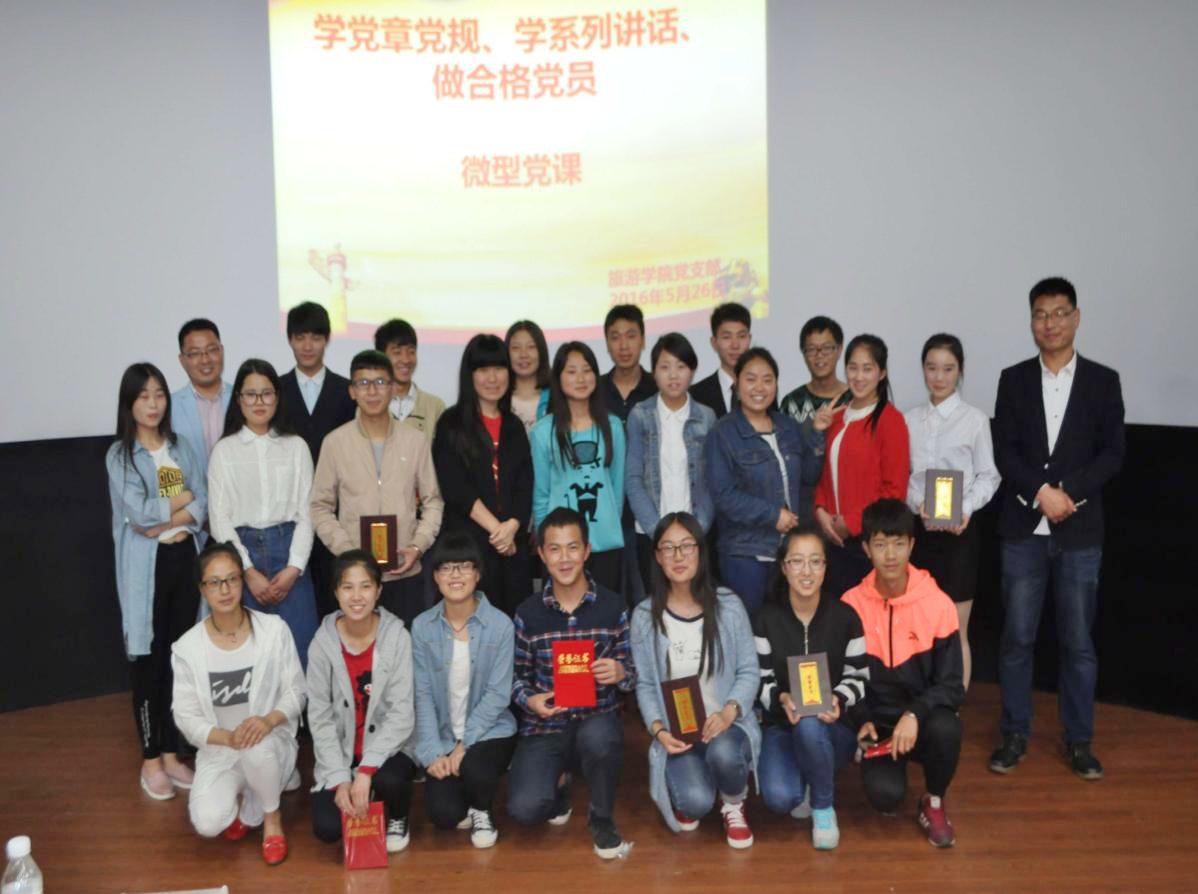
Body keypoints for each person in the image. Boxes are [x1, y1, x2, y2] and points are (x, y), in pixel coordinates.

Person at [989, 277, 1125, 780]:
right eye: (1041, 314)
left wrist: (1067, 492)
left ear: (1076, 317)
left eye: (1060, 313)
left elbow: (1113, 452)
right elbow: (1005, 451)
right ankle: (1014, 733)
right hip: (1023, 530)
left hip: (1080, 533)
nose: (1050, 323)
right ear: (1031, 321)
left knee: (1078, 643)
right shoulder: (1013, 379)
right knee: (1016, 640)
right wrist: (1039, 493)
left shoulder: (1103, 381)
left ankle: (1079, 740)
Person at [507, 508, 636, 860]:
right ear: (541, 554)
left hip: (597, 719)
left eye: (573, 547)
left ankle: (602, 816)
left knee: (600, 738)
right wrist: (530, 701)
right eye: (554, 549)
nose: (564, 558)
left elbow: (633, 674)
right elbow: (515, 677)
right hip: (545, 726)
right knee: (525, 809)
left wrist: (621, 673)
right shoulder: (527, 613)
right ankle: (560, 782)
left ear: (587, 550)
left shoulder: (613, 606)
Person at [105, 362, 207, 800]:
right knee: (148, 659)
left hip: (185, 559)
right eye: (144, 396)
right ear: (129, 403)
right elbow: (140, 515)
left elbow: (200, 501)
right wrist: (177, 505)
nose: (153, 404)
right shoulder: (121, 455)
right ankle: (150, 758)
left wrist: (172, 512)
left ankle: (170, 752)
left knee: (178, 658)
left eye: (160, 394)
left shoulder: (179, 447)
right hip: (147, 568)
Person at [171, 542, 306, 866]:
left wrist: (268, 721)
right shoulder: (187, 648)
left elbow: (296, 691)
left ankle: (271, 817)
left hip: (268, 741)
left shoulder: (273, 631)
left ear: (242, 582)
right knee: (207, 822)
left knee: (256, 745)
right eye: (214, 582)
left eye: (232, 579)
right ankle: (254, 796)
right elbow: (186, 717)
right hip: (222, 749)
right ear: (202, 589)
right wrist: (227, 738)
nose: (225, 590)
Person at [630, 513, 760, 848]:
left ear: (701, 551)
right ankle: (700, 779)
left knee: (724, 754)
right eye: (668, 548)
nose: (678, 556)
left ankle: (733, 801)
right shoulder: (644, 616)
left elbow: (749, 670)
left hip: (726, 727)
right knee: (694, 804)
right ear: (657, 556)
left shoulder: (728, 605)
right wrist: (659, 731)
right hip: (679, 733)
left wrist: (729, 712)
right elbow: (645, 685)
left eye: (687, 546)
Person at [842, 499, 964, 848]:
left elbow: (952, 686)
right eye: (880, 544)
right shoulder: (850, 605)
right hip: (879, 726)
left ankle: (934, 800)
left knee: (948, 727)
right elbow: (842, 677)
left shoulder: (938, 604)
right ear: (866, 549)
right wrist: (861, 719)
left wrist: (914, 714)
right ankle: (879, 763)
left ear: (912, 545)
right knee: (885, 799)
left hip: (921, 721)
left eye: (898, 543)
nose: (891, 555)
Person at [310, 350, 444, 628]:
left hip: (406, 572)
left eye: (381, 382)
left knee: (405, 647)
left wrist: (417, 546)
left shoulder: (415, 440)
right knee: (359, 649)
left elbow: (433, 501)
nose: (372, 391)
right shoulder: (335, 442)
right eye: (363, 383)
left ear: (393, 388)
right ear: (352, 391)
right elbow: (320, 506)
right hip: (355, 579)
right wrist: (347, 551)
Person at [754, 525, 868, 850]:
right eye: (797, 561)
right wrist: (780, 698)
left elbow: (859, 676)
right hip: (781, 725)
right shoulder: (766, 619)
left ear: (825, 567)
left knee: (810, 723)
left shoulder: (846, 617)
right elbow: (760, 679)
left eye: (815, 561)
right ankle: (807, 775)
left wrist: (838, 699)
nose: (806, 571)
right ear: (784, 566)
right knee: (780, 799)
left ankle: (823, 806)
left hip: (833, 728)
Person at [904, 334, 1000, 691]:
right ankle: (920, 705)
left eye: (948, 369)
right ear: (923, 370)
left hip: (960, 533)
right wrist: (918, 503)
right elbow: (905, 477)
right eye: (932, 368)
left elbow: (989, 476)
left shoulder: (974, 420)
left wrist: (965, 507)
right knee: (919, 624)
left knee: (956, 628)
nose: (939, 377)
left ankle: (952, 709)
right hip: (921, 532)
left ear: (960, 371)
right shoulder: (909, 420)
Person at [705, 347, 832, 617]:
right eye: (750, 379)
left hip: (788, 552)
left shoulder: (787, 426)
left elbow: (809, 476)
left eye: (767, 379)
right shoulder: (723, 432)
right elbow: (723, 495)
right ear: (737, 383)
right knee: (750, 628)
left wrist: (818, 435)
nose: (759, 387)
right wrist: (772, 515)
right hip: (745, 553)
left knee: (785, 628)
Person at [208, 359, 318, 668]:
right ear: (239, 399)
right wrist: (247, 570)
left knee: (300, 652)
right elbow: (219, 519)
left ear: (277, 398)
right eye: (251, 394)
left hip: (290, 552)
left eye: (266, 393)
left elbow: (308, 512)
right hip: (243, 556)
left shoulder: (296, 446)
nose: (259, 402)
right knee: (251, 658)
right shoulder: (224, 451)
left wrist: (294, 567)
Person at [411, 533, 518, 848]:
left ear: (478, 574)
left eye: (464, 567)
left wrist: (464, 745)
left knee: (475, 769)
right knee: (443, 815)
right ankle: (466, 793)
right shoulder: (422, 627)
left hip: (489, 731)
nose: (455, 575)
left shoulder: (500, 625)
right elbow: (422, 695)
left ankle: (483, 809)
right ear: (435, 576)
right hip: (444, 734)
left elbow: (498, 695)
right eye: (446, 568)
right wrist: (433, 752)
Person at [307, 550, 418, 853]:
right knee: (328, 829)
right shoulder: (321, 644)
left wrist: (366, 770)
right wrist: (340, 778)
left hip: (389, 748)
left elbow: (402, 714)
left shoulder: (397, 637)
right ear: (335, 592)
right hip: (342, 752)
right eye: (347, 587)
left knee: (391, 780)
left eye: (365, 586)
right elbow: (319, 718)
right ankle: (362, 791)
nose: (357, 596)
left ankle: (397, 815)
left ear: (379, 590)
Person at [433, 335, 533, 617]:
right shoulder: (451, 423)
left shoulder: (514, 425)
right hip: (469, 547)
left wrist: (512, 526)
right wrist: (498, 531)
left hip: (512, 546)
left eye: (499, 368)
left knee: (513, 621)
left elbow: (525, 484)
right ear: (470, 375)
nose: (493, 378)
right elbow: (456, 488)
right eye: (483, 369)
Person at [814, 334, 910, 598]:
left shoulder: (891, 421)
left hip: (869, 546)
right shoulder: (836, 417)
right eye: (853, 368)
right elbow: (823, 477)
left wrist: (851, 523)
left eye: (867, 369)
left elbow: (894, 491)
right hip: (833, 542)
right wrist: (821, 511)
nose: (858, 376)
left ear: (882, 373)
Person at [279, 301, 356, 617]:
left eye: (315, 337)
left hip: (336, 513)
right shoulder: (276, 391)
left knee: (335, 601)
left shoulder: (347, 391)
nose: (307, 345)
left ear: (327, 339)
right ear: (290, 340)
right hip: (288, 513)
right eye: (300, 337)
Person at [530, 342, 626, 592]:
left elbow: (616, 489)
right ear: (558, 378)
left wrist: (607, 523)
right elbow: (541, 495)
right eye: (571, 371)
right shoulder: (543, 432)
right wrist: (547, 545)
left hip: (604, 543)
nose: (581, 378)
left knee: (605, 608)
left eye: (587, 370)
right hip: (560, 548)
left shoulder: (613, 427)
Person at [625, 333, 716, 592]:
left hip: (695, 535)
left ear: (692, 371)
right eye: (665, 367)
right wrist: (658, 533)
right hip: (651, 534)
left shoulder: (707, 417)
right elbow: (633, 479)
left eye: (681, 366)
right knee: (655, 603)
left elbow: (713, 480)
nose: (673, 375)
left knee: (695, 601)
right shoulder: (640, 415)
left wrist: (696, 531)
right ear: (654, 373)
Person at [780, 316, 850, 521]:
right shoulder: (791, 403)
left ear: (839, 349)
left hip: (849, 507)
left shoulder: (855, 399)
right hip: (805, 511)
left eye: (826, 348)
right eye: (811, 349)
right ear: (803, 354)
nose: (819, 356)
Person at [171, 318, 232, 480]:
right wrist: (177, 497)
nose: (205, 360)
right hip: (189, 496)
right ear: (182, 360)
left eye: (211, 350)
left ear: (221, 351)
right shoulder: (169, 407)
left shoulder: (243, 398)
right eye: (194, 353)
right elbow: (165, 462)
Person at [374, 318, 445, 436]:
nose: (406, 360)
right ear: (381, 357)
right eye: (397, 352)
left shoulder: (435, 407)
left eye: (411, 351)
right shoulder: (369, 404)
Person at [690, 302, 752, 418]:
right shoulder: (696, 395)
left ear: (749, 339)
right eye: (727, 337)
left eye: (741, 336)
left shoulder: (761, 390)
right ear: (714, 343)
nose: (735, 345)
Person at [599, 304, 657, 422]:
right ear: (607, 344)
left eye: (631, 336)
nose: (624, 346)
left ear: (643, 340)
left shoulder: (658, 388)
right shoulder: (595, 390)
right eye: (615, 337)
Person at [504, 319, 552, 433]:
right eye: (516, 348)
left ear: (541, 351)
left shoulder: (556, 397)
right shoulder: (498, 399)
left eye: (531, 347)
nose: (523, 354)